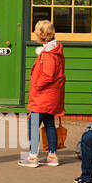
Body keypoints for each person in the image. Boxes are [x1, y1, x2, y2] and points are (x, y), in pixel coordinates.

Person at [20, 19, 66, 168]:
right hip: (52, 95)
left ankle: (33, 157)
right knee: (49, 123)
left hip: (43, 96)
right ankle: (52, 156)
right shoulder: (56, 50)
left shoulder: (48, 54)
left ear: (40, 35)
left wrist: (37, 86)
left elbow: (48, 75)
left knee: (33, 123)